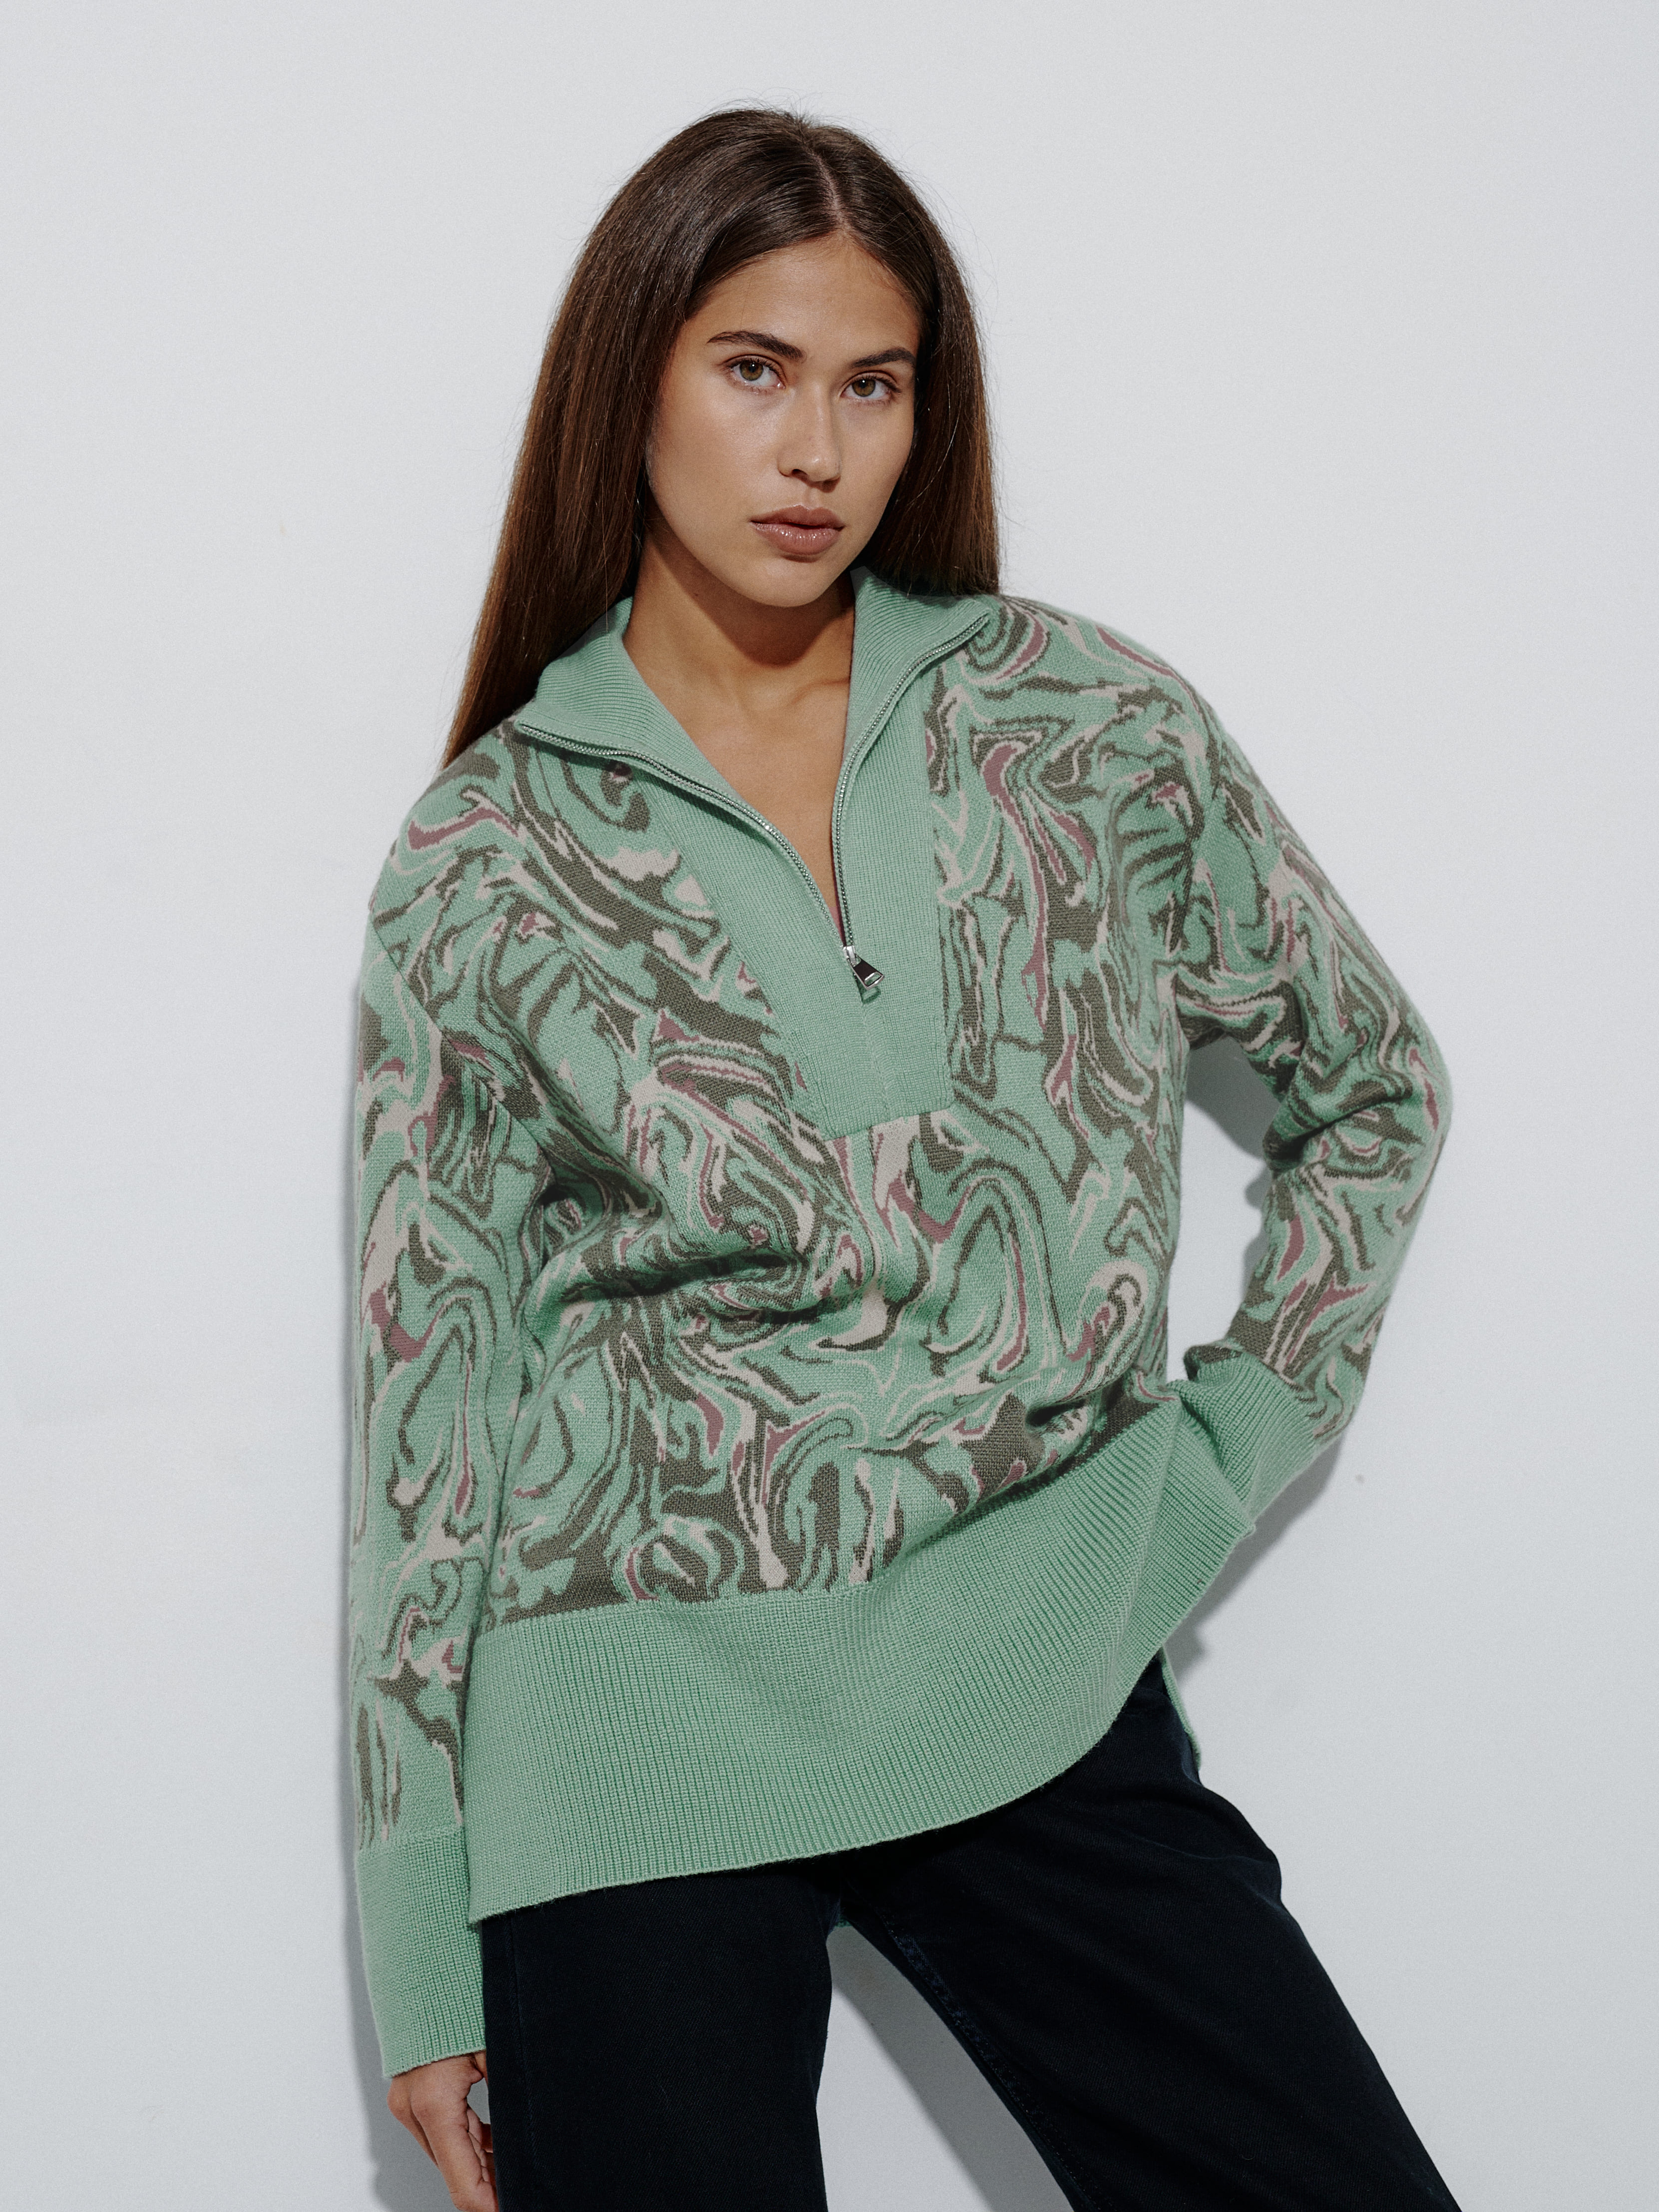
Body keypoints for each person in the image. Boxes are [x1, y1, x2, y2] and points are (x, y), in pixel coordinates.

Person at [349, 107, 1458, 2212]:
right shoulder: (488, 850)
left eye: (874, 385)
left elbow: (1374, 1083)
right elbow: (434, 1406)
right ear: (632, 383)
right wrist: (418, 1928)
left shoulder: (1087, 730)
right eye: (754, 371)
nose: (817, 451)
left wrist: (1232, 1438)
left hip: (1033, 1670)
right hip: (629, 1731)